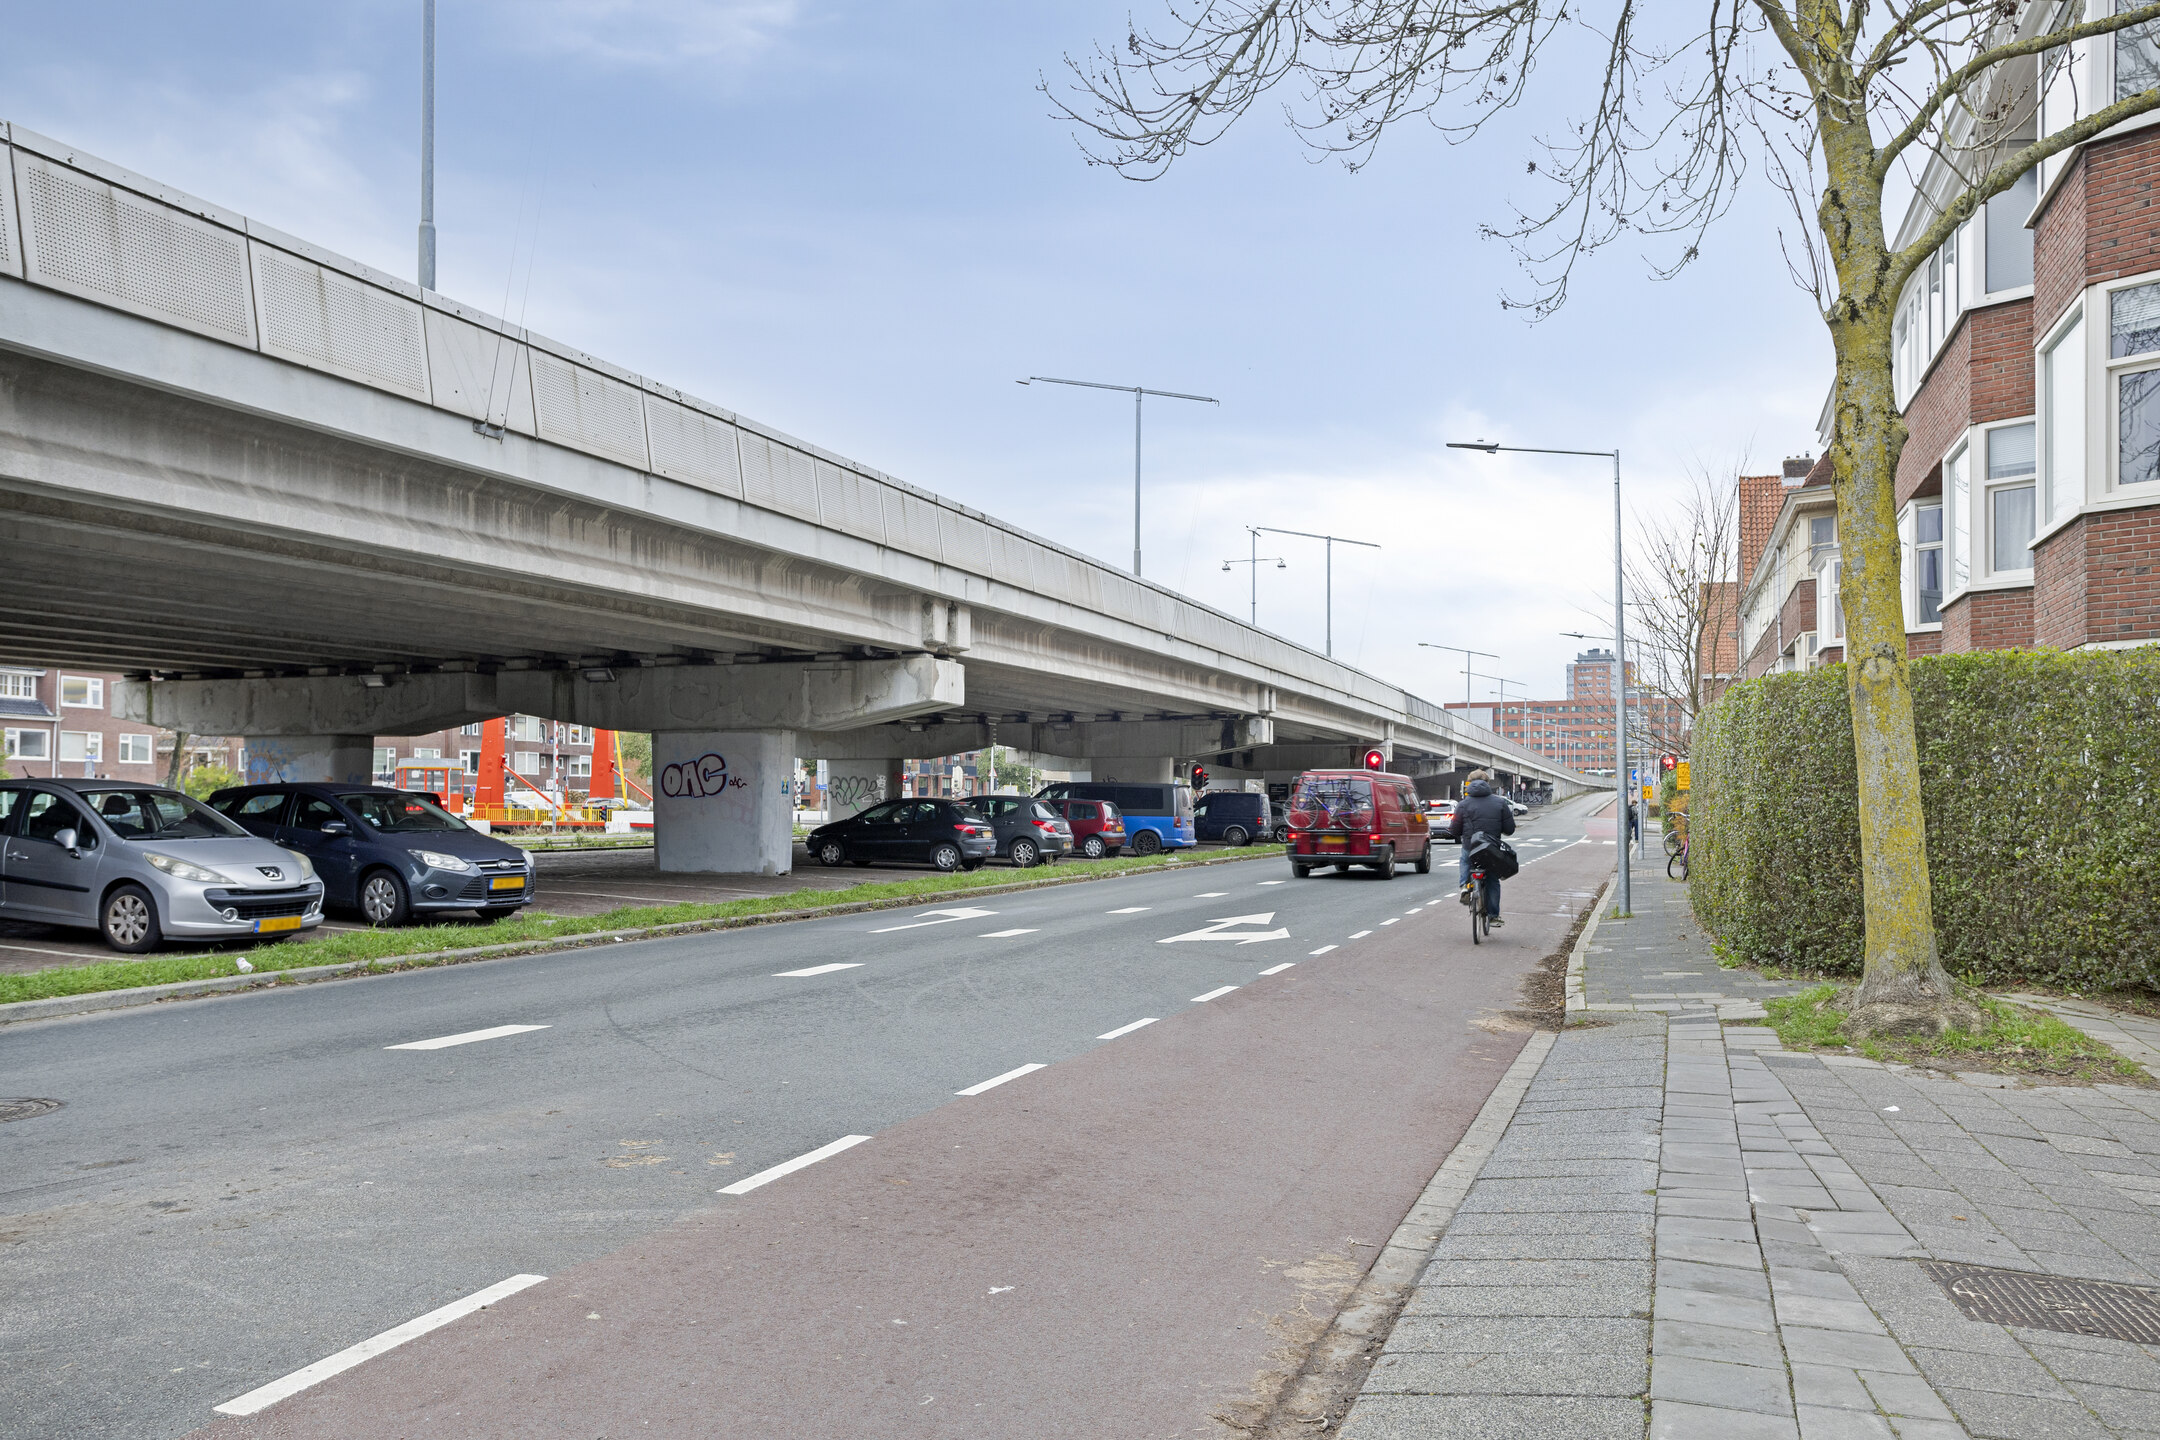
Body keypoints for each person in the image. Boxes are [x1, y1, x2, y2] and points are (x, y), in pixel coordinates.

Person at [1448, 770, 1515, 928]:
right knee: (1492, 879)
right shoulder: (1500, 803)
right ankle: (1493, 917)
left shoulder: (1463, 804)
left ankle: (1465, 886)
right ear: (1487, 783)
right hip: (1491, 848)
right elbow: (1510, 829)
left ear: (1469, 783)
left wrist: (1457, 832)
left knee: (1465, 858)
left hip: (1470, 846)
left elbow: (1455, 830)